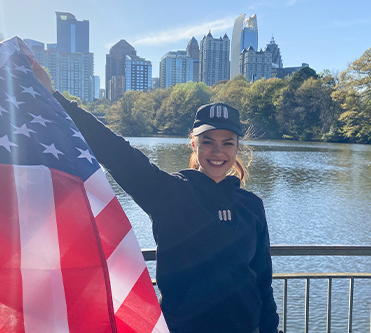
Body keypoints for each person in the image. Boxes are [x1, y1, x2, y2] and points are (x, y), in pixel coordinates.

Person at [32, 61, 279, 333]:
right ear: (194, 144)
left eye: (227, 143)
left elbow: (263, 283)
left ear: (236, 148)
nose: (217, 152)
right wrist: (55, 97)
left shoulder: (252, 206)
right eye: (208, 141)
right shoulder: (169, 193)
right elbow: (117, 152)